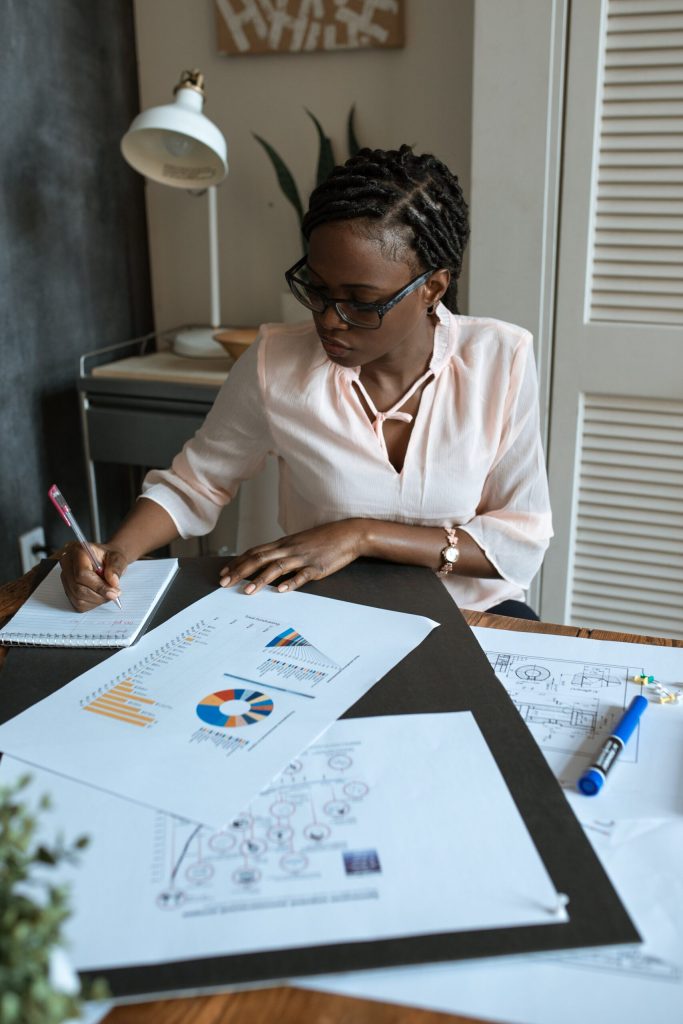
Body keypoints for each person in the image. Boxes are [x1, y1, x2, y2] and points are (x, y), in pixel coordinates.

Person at [60, 145, 552, 618]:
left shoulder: (501, 360)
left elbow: (519, 539)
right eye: (316, 290)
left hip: (471, 613)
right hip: (325, 614)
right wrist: (115, 552)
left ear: (433, 287)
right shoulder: (276, 363)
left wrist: (361, 534)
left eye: (361, 300)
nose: (330, 320)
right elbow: (195, 484)